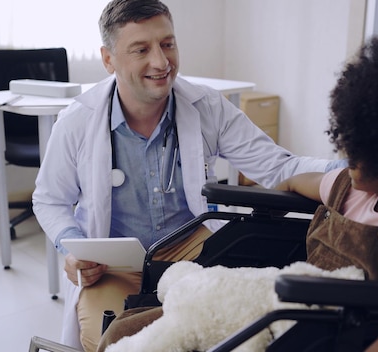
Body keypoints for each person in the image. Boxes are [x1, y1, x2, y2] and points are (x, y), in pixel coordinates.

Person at [98, 29, 378, 351]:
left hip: (314, 331)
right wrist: (274, 203)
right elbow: (293, 178)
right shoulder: (350, 188)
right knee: (120, 330)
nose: (347, 153)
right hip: (276, 302)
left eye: (363, 149)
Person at [32, 0, 343, 350]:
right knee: (112, 343)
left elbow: (278, 166)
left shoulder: (206, 106)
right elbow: (50, 199)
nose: (161, 62)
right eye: (141, 49)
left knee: (228, 333)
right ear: (109, 60)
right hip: (113, 263)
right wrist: (73, 248)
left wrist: (350, 173)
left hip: (193, 248)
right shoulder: (76, 121)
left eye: (168, 43)